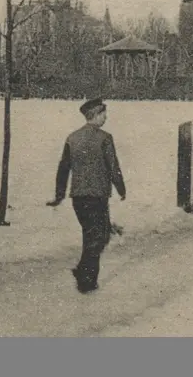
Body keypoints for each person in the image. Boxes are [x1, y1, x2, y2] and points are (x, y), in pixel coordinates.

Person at [47, 98, 126, 293]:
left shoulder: (72, 138)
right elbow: (113, 166)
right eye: (103, 114)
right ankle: (86, 281)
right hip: (97, 195)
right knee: (97, 237)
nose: (106, 117)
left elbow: (63, 168)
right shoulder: (105, 138)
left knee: (92, 235)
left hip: (78, 197)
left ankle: (83, 271)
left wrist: (60, 194)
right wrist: (121, 188)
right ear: (96, 115)